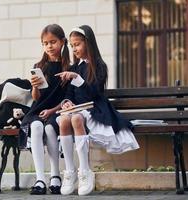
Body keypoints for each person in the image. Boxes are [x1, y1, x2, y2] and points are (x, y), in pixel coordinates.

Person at [55, 25, 140, 196]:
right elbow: (69, 94)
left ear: (88, 43)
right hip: (78, 109)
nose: (74, 48)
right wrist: (67, 103)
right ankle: (70, 171)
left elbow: (93, 93)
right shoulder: (74, 68)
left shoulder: (99, 66)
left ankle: (85, 171)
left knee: (76, 119)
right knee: (65, 119)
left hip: (94, 108)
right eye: (72, 45)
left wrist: (77, 78)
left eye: (77, 44)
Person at [20, 24, 70, 195]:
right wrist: (34, 87)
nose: (49, 46)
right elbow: (36, 98)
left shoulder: (68, 67)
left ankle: (55, 175)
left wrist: (52, 111)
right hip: (39, 110)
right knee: (36, 126)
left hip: (57, 111)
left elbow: (67, 98)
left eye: (53, 42)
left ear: (62, 42)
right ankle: (40, 178)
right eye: (45, 43)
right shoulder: (40, 66)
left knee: (49, 128)